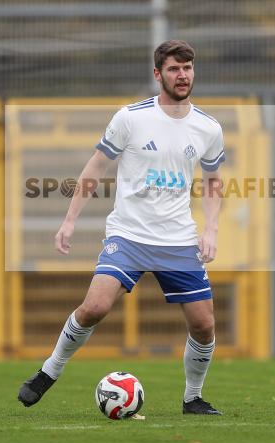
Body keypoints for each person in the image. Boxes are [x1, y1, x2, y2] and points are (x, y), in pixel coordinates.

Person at [17, 39, 226, 415]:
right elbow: (96, 167)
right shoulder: (131, 118)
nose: (183, 75)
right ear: (158, 73)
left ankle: (192, 397)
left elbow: (213, 181)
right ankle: (49, 371)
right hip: (128, 235)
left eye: (188, 68)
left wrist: (210, 228)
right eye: (175, 69)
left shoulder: (208, 128)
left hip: (178, 240)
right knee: (95, 307)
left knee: (204, 324)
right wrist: (69, 220)